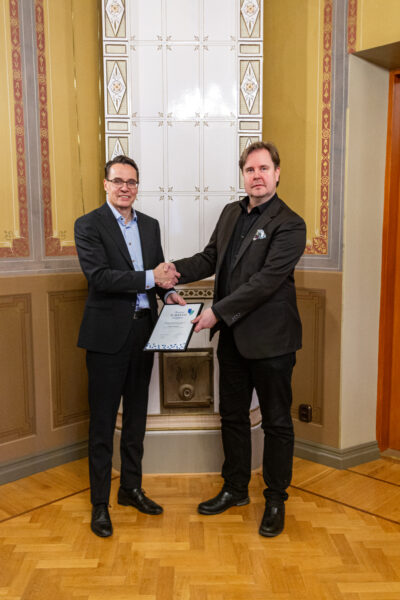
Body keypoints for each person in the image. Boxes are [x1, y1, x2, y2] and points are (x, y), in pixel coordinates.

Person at [170, 141, 306, 537]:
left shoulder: (290, 223)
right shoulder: (231, 212)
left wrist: (216, 312)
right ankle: (235, 489)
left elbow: (265, 283)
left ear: (277, 173)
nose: (257, 176)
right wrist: (171, 271)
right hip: (232, 340)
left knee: (277, 423)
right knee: (231, 416)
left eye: (264, 168)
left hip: (273, 343)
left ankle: (276, 499)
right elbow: (210, 257)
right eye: (250, 169)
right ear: (243, 175)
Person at [74, 154, 183, 537]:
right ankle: (100, 504)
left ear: (138, 186)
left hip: (144, 333)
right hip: (106, 339)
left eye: (132, 182)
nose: (125, 188)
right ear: (105, 184)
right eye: (118, 181)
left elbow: (157, 282)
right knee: (103, 424)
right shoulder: (88, 225)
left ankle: (130, 489)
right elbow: (100, 277)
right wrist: (152, 278)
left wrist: (169, 296)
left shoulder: (150, 226)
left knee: (137, 417)